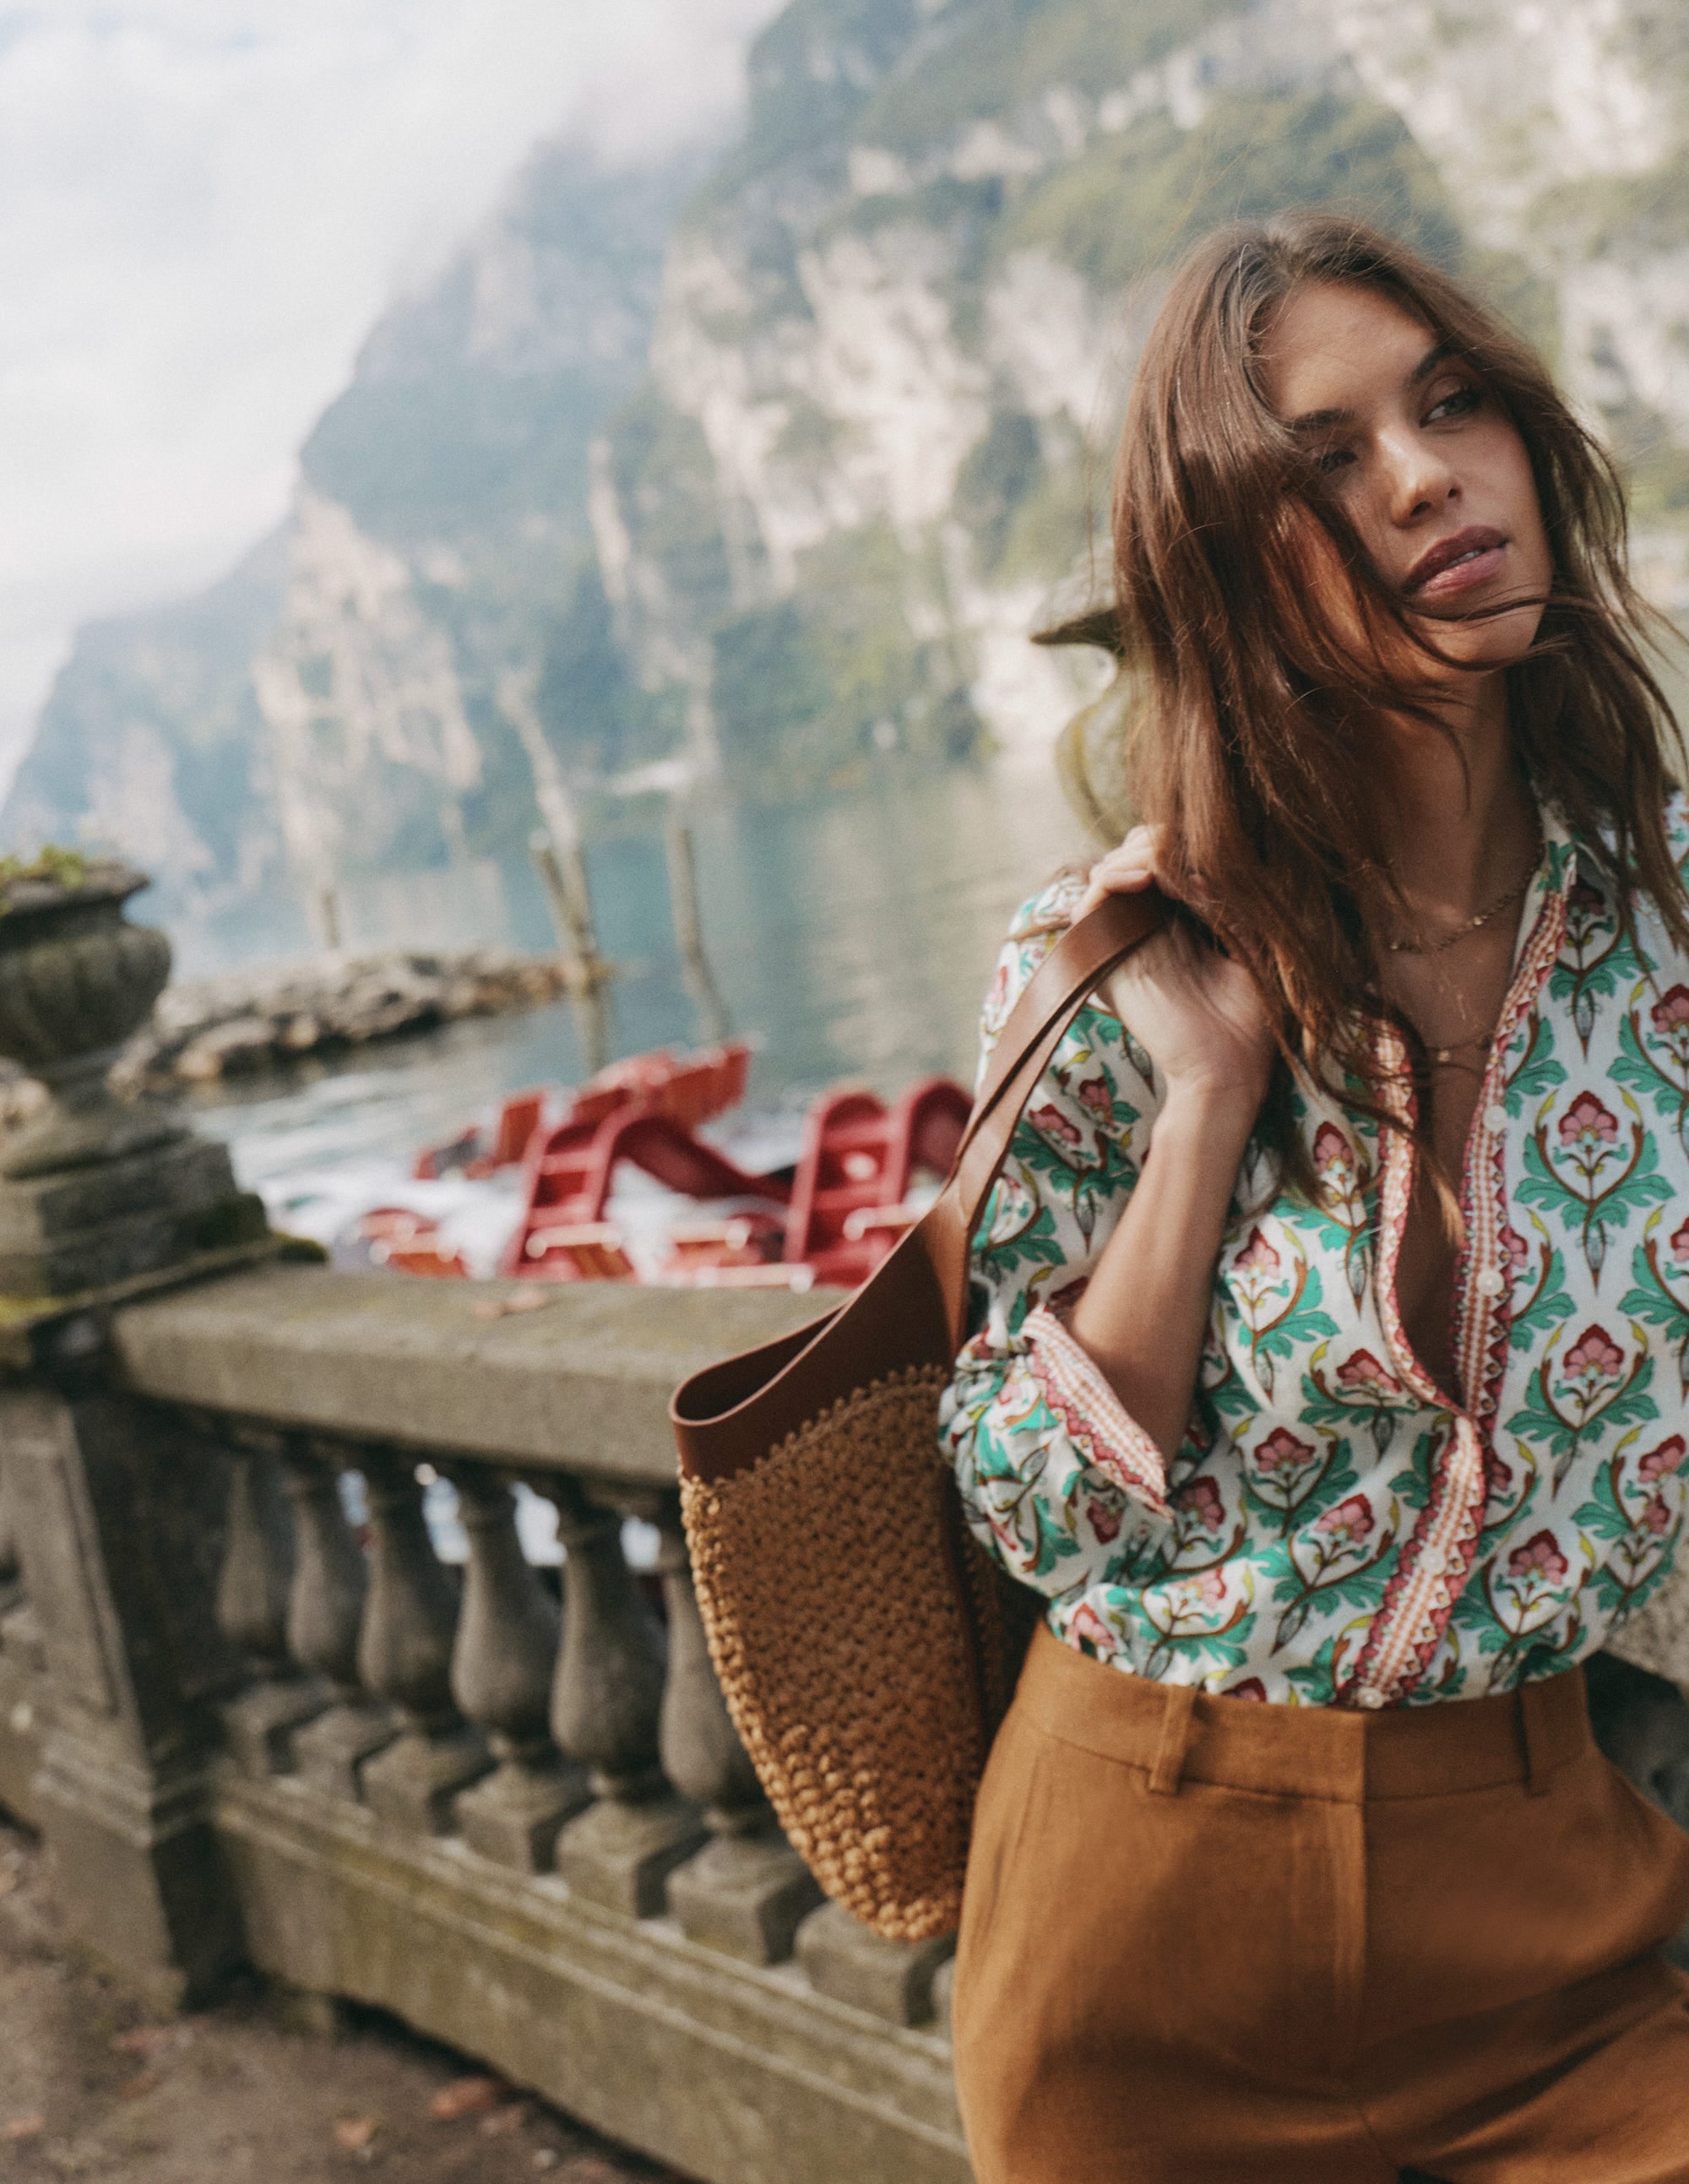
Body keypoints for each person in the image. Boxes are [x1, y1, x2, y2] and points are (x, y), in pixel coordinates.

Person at [940, 212, 1689, 2184]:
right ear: (1227, 557)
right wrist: (1203, 1101)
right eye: (1325, 457)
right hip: (1145, 1911)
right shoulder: (1111, 956)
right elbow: (1033, 1499)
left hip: (1550, 1905)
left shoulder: (1668, 921)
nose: (1425, 475)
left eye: (1452, 407)